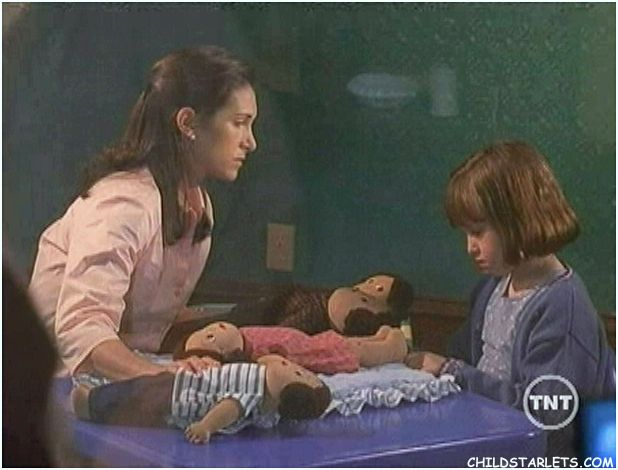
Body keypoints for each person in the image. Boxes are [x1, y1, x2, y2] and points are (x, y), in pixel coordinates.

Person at [28, 46, 258, 380]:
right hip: (51, 385)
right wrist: (162, 378)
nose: (250, 142)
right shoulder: (125, 203)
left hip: (115, 378)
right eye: (239, 123)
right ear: (188, 123)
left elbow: (146, 330)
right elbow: (82, 329)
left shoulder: (197, 207)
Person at [406, 141, 615, 456]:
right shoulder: (494, 287)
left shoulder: (562, 309)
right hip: (490, 439)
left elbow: (548, 419)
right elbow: (460, 357)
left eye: (478, 232)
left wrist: (454, 372)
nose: (469, 247)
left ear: (519, 220)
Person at [71, 354, 331, 444]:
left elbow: (229, 408)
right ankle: (100, 392)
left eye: (298, 373)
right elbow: (268, 360)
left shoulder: (253, 394)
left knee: (136, 397)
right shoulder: (264, 381)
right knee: (138, 391)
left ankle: (91, 403)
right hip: (182, 381)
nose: (293, 367)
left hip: (179, 393)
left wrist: (207, 426)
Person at [161, 273, 414, 352]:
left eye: (378, 287)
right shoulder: (343, 297)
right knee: (222, 318)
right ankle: (172, 328)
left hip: (285, 319)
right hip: (277, 306)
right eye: (371, 280)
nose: (369, 285)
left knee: (231, 327)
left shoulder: (373, 322)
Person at [173, 321, 409, 375]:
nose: (213, 328)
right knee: (350, 349)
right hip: (308, 351)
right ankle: (391, 349)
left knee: (344, 340)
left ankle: (375, 338)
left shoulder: (243, 333)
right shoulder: (256, 355)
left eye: (205, 329)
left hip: (307, 340)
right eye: (210, 337)